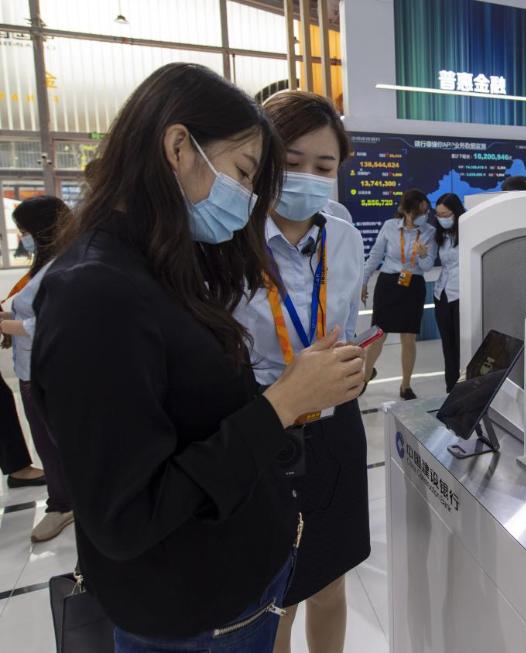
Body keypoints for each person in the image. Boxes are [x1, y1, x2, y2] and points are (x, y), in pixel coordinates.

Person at [30, 63, 365, 652]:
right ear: (179, 147)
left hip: (231, 582)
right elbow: (129, 514)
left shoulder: (160, 265)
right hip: (195, 613)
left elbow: (192, 418)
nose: (246, 199)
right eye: (244, 173)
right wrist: (281, 403)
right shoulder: (95, 294)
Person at [234, 90, 368, 653]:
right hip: (265, 425)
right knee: (276, 597)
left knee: (331, 581)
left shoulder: (344, 237)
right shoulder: (230, 241)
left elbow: (346, 326)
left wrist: (358, 364)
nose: (307, 177)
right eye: (291, 162)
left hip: (335, 426)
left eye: (324, 166)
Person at [0, 196, 73, 542]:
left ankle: (64, 503)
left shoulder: (65, 265)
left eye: (25, 231)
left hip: (49, 370)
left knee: (59, 443)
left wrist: (7, 326)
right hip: (34, 369)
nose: (22, 238)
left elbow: (52, 322)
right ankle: (64, 501)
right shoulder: (47, 264)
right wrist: (8, 319)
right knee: (48, 443)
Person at [361, 189, 436, 400]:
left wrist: (423, 255)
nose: (423, 216)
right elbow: (375, 256)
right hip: (388, 284)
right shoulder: (389, 226)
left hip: (413, 285)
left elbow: (427, 266)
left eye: (426, 211)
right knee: (379, 333)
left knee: (409, 337)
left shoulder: (429, 231)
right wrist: (363, 281)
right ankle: (365, 377)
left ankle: (406, 385)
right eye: (419, 212)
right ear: (406, 211)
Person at [433, 193, 463, 393]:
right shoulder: (440, 235)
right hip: (441, 293)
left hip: (462, 293)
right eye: (438, 215)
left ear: (456, 212)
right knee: (447, 343)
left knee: (462, 343)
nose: (442, 219)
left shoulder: (469, 231)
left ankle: (464, 386)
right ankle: (451, 387)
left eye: (445, 215)